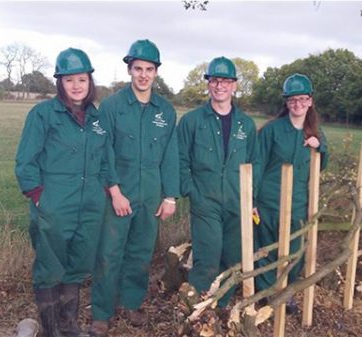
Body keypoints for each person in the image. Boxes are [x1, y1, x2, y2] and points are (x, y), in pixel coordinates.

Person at [15, 48, 114, 337]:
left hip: (90, 204)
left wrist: (106, 192)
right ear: (60, 82)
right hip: (55, 204)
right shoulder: (44, 114)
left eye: (81, 79)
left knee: (78, 265)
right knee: (50, 265)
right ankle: (50, 330)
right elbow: (26, 161)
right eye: (69, 80)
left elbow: (106, 160)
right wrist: (38, 196)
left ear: (89, 81)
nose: (76, 86)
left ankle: (69, 328)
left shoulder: (96, 119)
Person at [89, 39, 180, 337]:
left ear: (156, 72)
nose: (143, 74)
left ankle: (130, 303)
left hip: (151, 193)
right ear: (129, 70)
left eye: (149, 69)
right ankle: (102, 313)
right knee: (109, 253)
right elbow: (104, 152)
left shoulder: (165, 111)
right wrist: (114, 192)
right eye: (138, 68)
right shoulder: (113, 106)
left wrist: (169, 197)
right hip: (120, 191)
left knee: (141, 253)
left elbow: (170, 155)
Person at [177, 56, 258, 308]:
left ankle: (219, 307)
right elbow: (180, 160)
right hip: (206, 202)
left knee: (233, 258)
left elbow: (253, 164)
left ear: (235, 85)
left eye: (225, 81)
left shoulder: (246, 124)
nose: (219, 86)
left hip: (237, 203)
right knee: (207, 257)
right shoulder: (192, 121)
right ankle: (195, 310)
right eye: (214, 80)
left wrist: (251, 201)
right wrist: (191, 191)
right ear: (208, 84)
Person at [253, 73, 328, 310]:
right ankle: (267, 292)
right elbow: (257, 164)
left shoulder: (314, 132)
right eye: (292, 100)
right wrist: (252, 199)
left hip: (297, 202)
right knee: (267, 248)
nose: (297, 104)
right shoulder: (272, 131)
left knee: (295, 250)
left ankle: (287, 290)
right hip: (269, 201)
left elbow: (321, 165)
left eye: (302, 99)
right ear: (286, 103)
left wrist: (321, 146)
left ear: (310, 102)